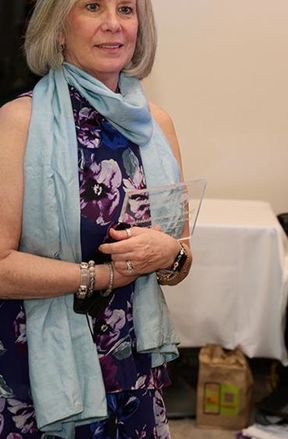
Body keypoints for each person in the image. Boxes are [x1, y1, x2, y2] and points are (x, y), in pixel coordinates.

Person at [0, 0, 191, 437]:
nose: (113, 24)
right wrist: (100, 276)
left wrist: (170, 254)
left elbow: (180, 260)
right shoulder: (18, 123)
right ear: (59, 28)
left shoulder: (157, 125)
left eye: (126, 8)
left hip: (132, 365)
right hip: (39, 374)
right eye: (92, 6)